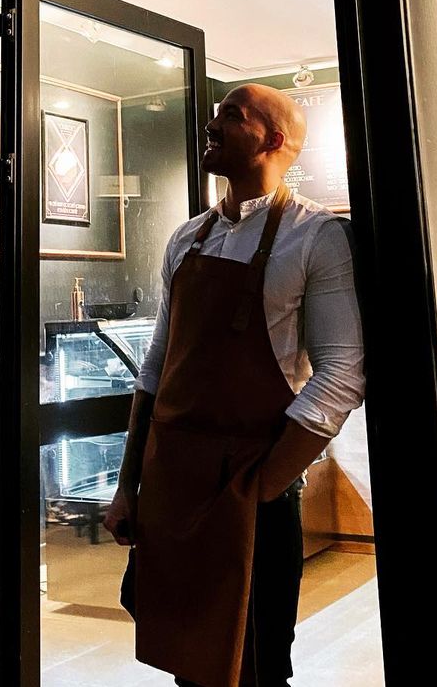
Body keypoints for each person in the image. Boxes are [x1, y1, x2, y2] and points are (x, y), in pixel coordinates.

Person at [104, 83, 365, 687]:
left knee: (257, 666)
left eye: (232, 115)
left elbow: (341, 374)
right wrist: (127, 486)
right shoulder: (186, 238)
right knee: (185, 659)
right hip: (173, 484)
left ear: (273, 140)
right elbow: (156, 365)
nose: (212, 123)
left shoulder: (316, 237)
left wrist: (265, 487)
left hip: (252, 490)